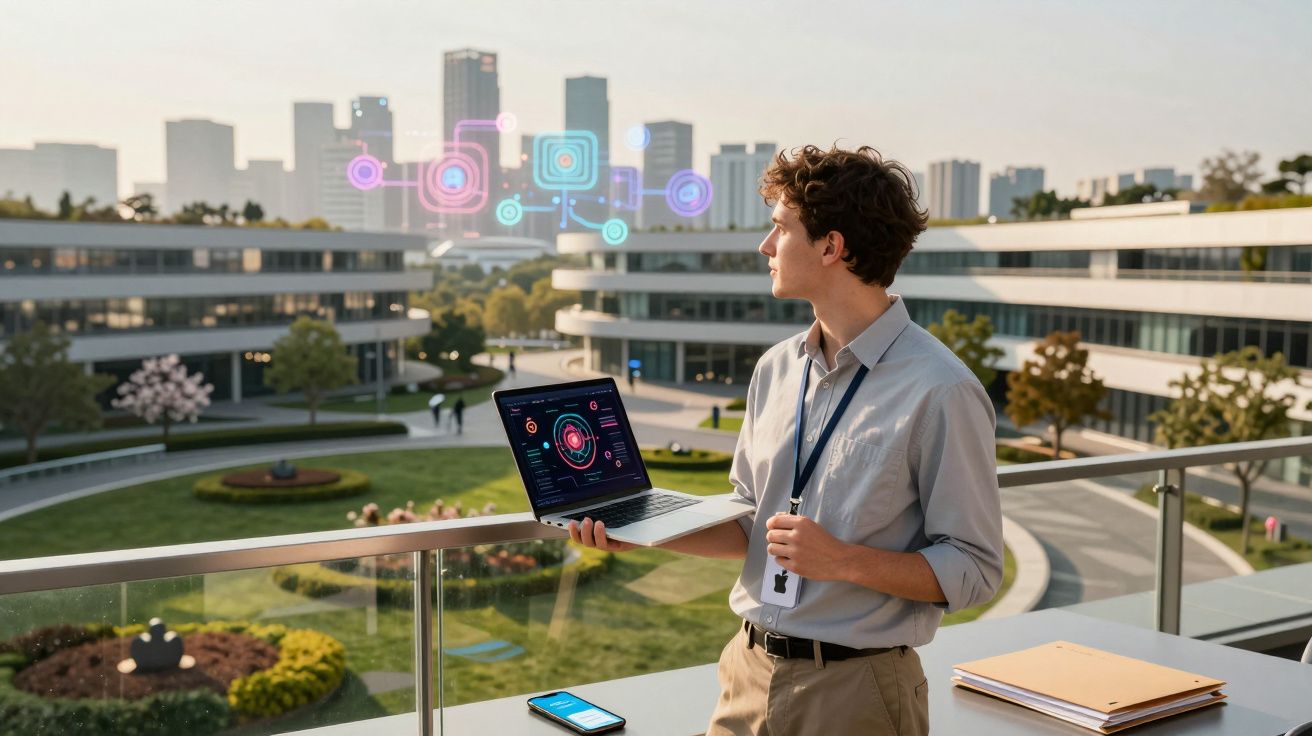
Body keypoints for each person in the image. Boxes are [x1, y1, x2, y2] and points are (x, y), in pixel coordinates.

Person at [569, 145, 1003, 736]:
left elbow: (974, 569)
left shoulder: (943, 390)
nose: (765, 247)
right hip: (745, 672)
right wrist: (645, 532)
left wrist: (843, 560)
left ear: (832, 246)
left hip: (858, 694)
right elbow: (751, 530)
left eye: (780, 227)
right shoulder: (775, 369)